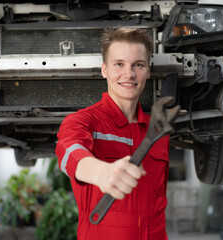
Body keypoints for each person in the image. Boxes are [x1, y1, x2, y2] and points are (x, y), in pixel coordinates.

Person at [55, 27, 169, 240]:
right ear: (104, 70)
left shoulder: (157, 131)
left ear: (148, 71)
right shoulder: (85, 121)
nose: (129, 74)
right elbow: (68, 151)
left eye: (138, 65)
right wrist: (100, 173)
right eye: (119, 64)